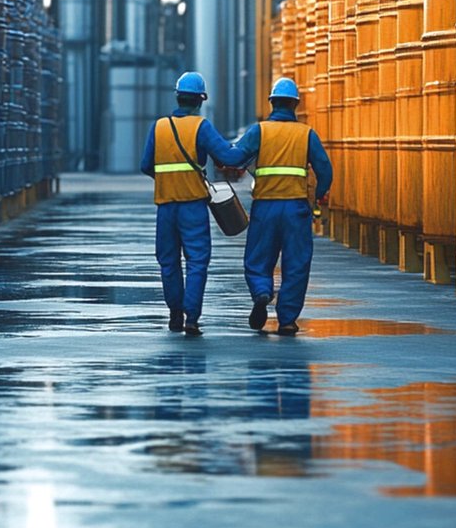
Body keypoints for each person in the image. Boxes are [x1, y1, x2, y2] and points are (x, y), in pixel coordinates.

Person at [140, 71, 248, 336]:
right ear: (200, 100)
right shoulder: (202, 127)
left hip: (166, 207)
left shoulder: (159, 126)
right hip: (193, 207)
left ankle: (175, 314)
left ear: (177, 97)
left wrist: (168, 180)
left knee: (168, 261)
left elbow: (146, 165)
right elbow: (228, 156)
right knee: (197, 261)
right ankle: (191, 318)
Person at [232, 77, 332, 336]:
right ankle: (287, 320)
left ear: (272, 103)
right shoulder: (306, 134)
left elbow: (235, 157)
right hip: (296, 209)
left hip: (265, 207)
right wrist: (319, 196)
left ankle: (262, 292)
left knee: (257, 259)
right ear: (295, 104)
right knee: (296, 263)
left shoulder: (259, 131)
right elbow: (325, 169)